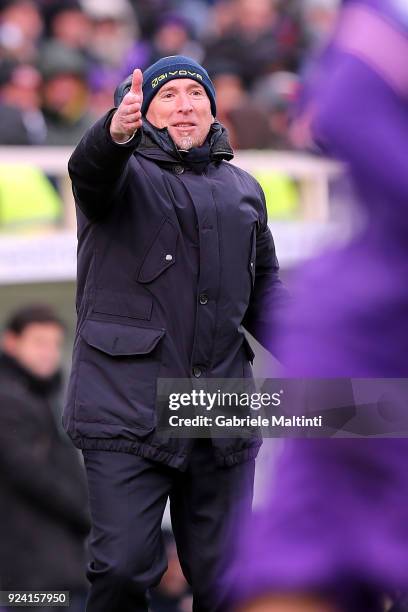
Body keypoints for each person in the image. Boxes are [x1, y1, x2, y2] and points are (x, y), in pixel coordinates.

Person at [62, 55, 288, 611]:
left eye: (195, 93)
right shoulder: (119, 172)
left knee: (229, 582)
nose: (184, 104)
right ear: (143, 111)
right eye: (168, 95)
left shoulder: (244, 189)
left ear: (213, 107)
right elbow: (89, 170)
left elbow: (266, 299)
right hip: (125, 405)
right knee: (121, 569)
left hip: (218, 408)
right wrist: (113, 134)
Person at [227, 1, 408, 611]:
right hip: (367, 343)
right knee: (302, 564)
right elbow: (350, 108)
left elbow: (262, 293)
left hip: (340, 351)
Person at [0, 305, 90, 612]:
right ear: (10, 343)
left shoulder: (42, 396)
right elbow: (29, 472)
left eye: (54, 344)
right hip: (26, 574)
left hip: (54, 568)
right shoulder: (8, 397)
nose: (49, 353)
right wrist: (86, 510)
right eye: (39, 342)